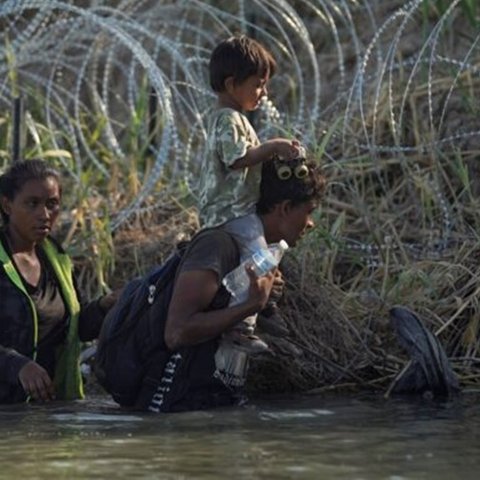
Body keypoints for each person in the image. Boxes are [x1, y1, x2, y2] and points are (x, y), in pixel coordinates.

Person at [143, 158, 326, 413]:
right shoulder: (217, 245)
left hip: (214, 409)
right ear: (284, 208)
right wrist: (252, 304)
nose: (310, 223)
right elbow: (177, 332)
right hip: (173, 412)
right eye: (308, 212)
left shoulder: (256, 255)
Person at [197, 34, 303, 360]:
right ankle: (242, 326)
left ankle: (263, 306)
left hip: (235, 208)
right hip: (229, 211)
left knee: (263, 257)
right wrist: (272, 147)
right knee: (259, 259)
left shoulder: (234, 118)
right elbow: (236, 159)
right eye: (258, 85)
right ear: (232, 84)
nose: (264, 92)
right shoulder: (227, 119)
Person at [0, 159, 117, 404]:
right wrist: (18, 365)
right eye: (32, 204)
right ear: (7, 205)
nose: (44, 215)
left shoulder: (55, 257)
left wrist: (105, 306)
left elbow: (76, 327)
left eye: (52, 204)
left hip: (48, 407)